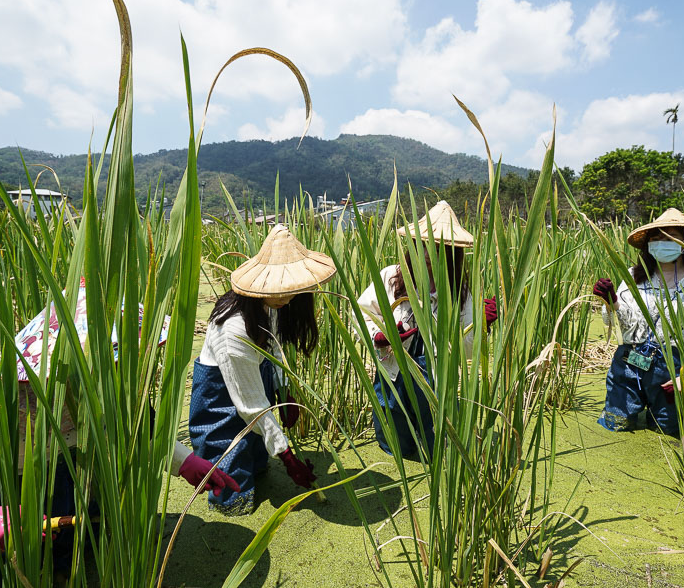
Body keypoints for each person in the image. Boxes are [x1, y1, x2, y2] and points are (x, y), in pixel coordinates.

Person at [0, 278, 238, 587]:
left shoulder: (114, 381)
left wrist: (184, 461)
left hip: (68, 469)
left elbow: (139, 427)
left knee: (67, 542)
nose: (116, 371)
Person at [189, 224, 336, 516]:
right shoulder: (233, 330)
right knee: (233, 491)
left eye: (291, 289)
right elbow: (250, 407)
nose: (285, 297)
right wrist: (287, 456)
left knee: (257, 461)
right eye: (277, 290)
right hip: (221, 397)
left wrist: (284, 393)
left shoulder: (274, 307)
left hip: (254, 381)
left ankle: (258, 463)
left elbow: (274, 351)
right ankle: (229, 504)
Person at [356, 201, 497, 460]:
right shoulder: (390, 277)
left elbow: (467, 349)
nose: (430, 253)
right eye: (425, 245)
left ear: (452, 252)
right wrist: (380, 335)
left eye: (439, 247)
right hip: (393, 367)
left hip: (433, 374)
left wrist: (480, 324)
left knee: (435, 432)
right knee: (392, 424)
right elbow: (361, 313)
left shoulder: (459, 292)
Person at [592, 208, 684, 437]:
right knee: (614, 423)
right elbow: (622, 324)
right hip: (630, 361)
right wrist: (612, 303)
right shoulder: (634, 277)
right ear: (648, 245)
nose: (662, 243)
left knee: (670, 431)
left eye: (670, 238)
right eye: (656, 238)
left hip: (674, 370)